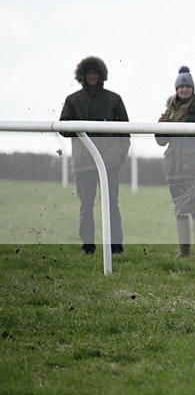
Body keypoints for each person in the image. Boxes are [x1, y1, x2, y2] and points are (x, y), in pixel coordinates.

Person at [59, 56, 130, 255]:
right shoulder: (73, 100)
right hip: (83, 164)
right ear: (83, 75)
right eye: (89, 73)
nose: (92, 76)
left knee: (112, 206)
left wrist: (119, 155)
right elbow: (63, 128)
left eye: (95, 73)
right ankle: (87, 247)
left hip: (110, 164)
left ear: (101, 75)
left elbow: (126, 132)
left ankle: (116, 247)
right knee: (86, 207)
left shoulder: (114, 99)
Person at [156, 66, 195, 256]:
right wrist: (162, 124)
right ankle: (184, 251)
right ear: (176, 89)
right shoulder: (170, 112)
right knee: (179, 209)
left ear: (192, 89)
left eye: (187, 86)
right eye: (181, 86)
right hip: (173, 168)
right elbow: (161, 141)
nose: (184, 89)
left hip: (193, 170)